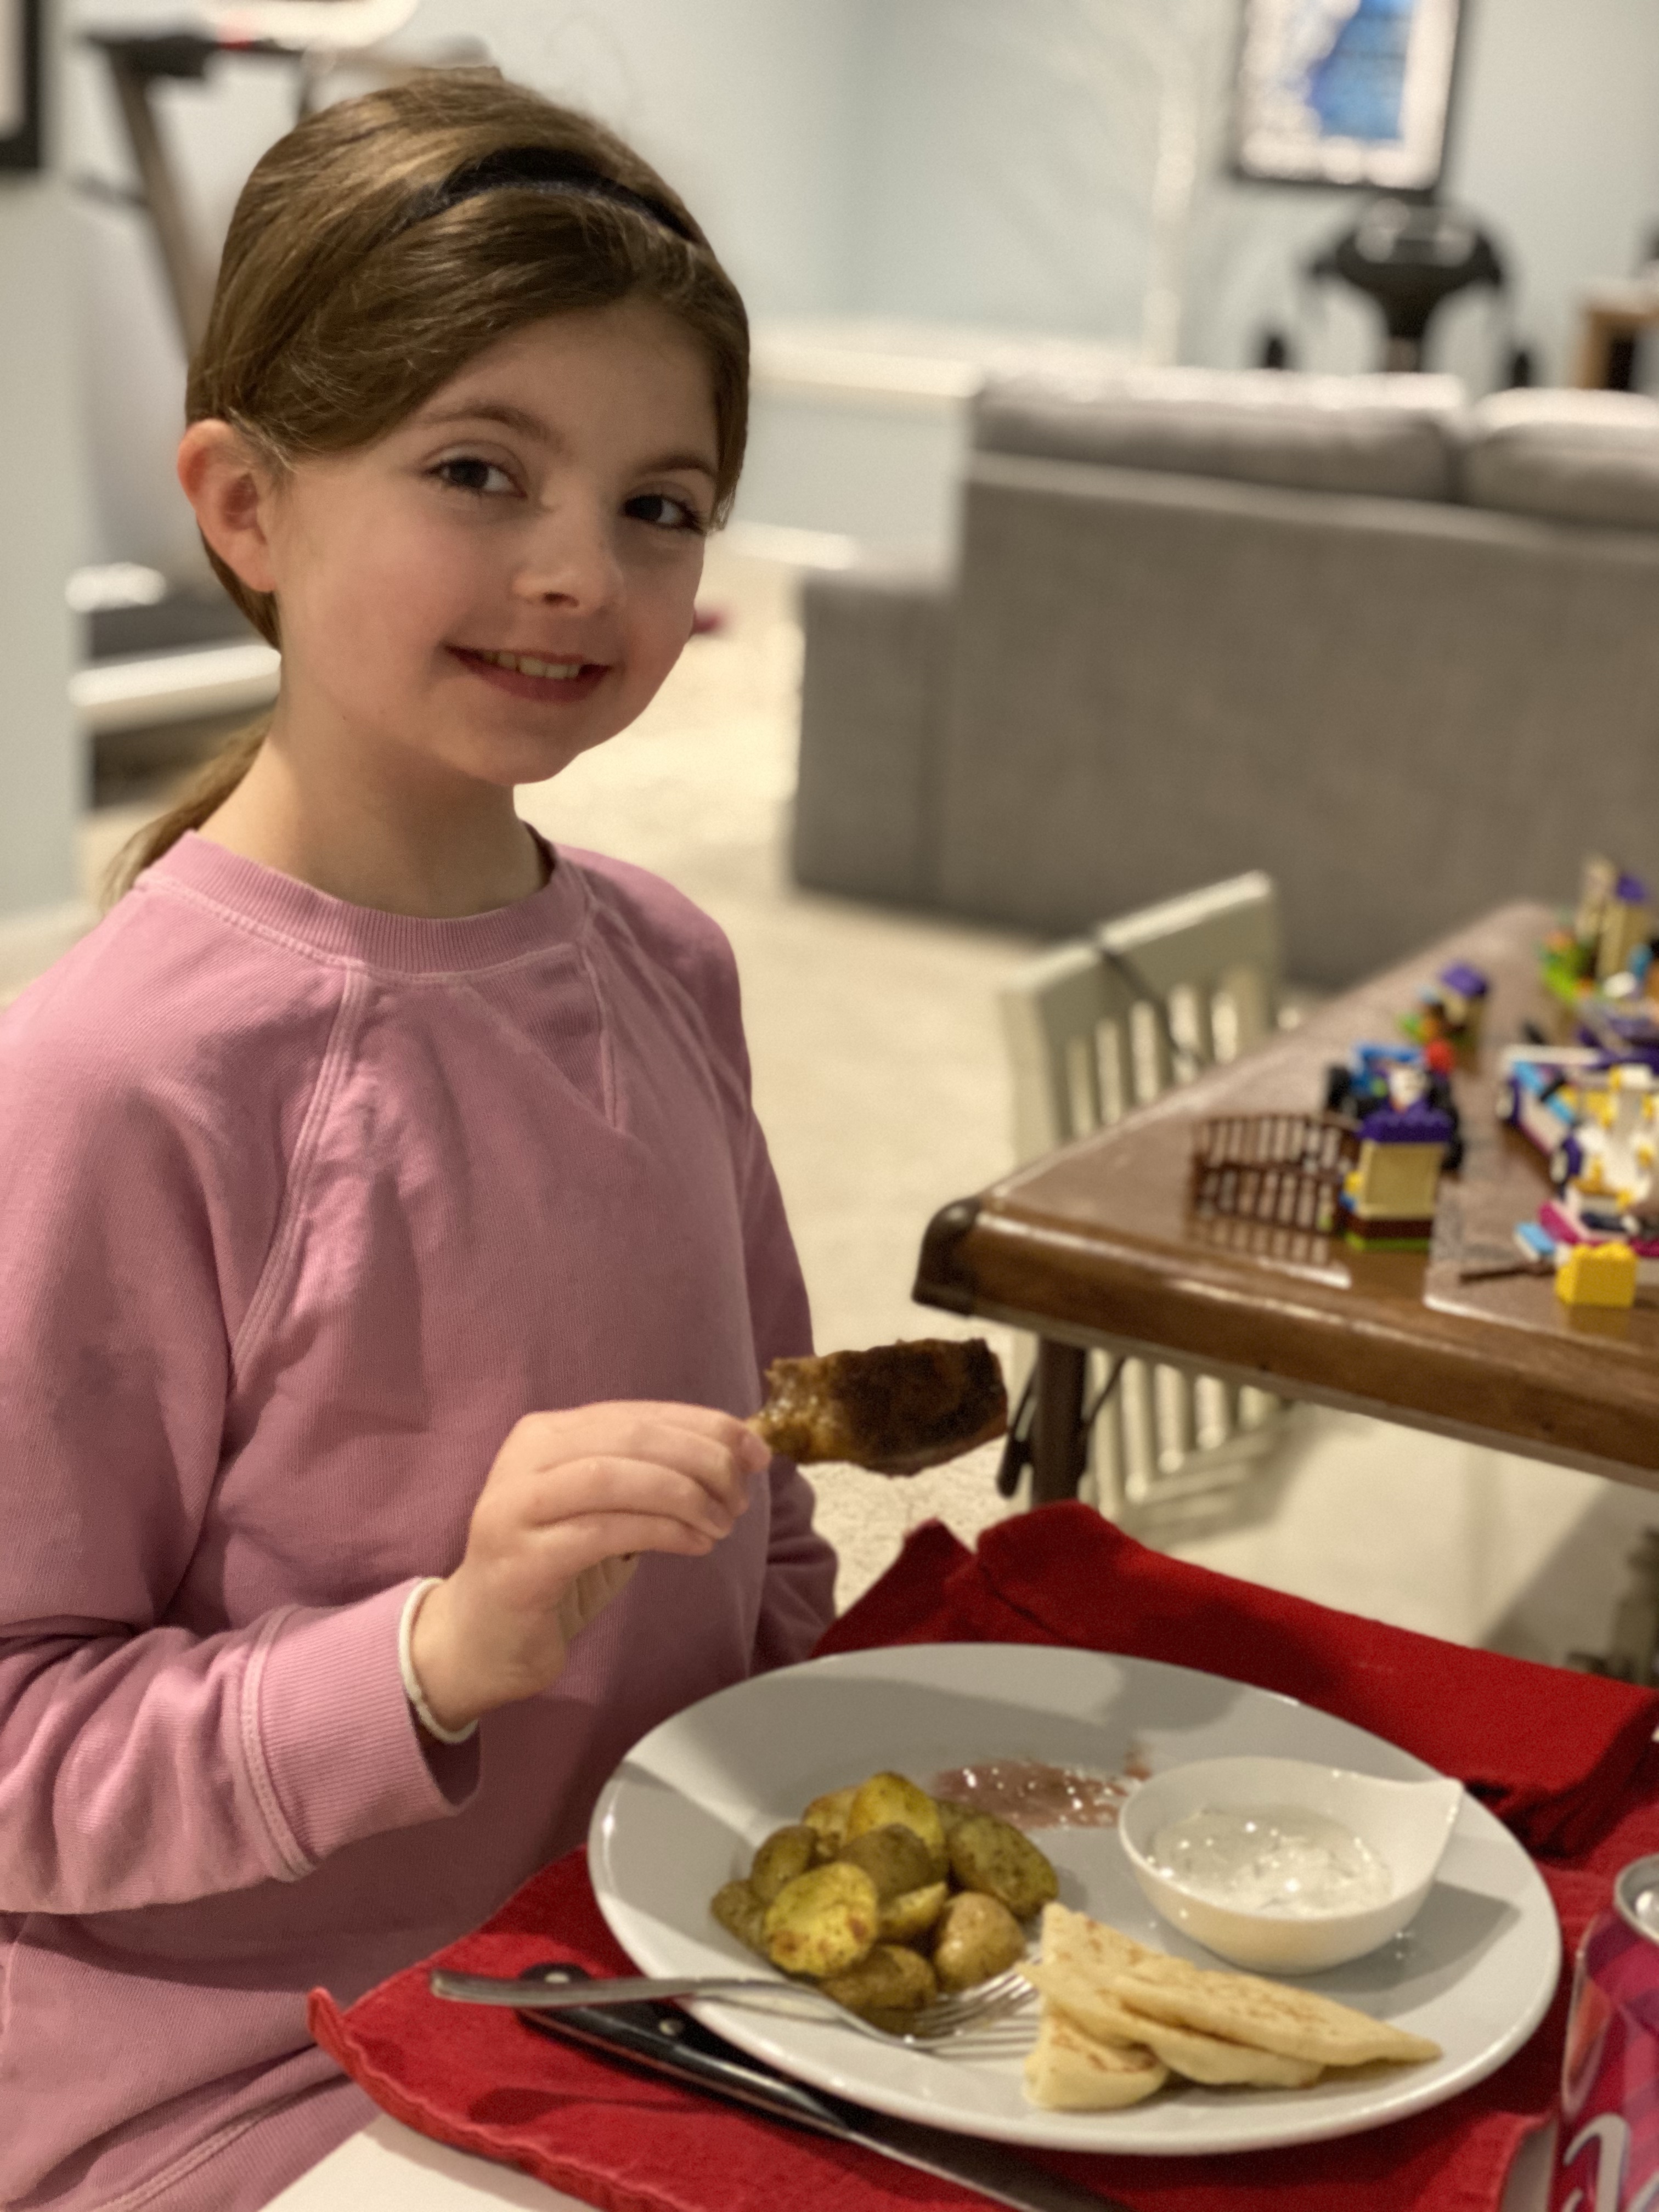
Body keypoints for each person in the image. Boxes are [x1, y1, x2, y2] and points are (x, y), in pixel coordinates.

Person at [0, 71, 837, 2211]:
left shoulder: (670, 963)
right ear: (247, 506)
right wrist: (432, 1658)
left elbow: (767, 1498)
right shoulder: (110, 1080)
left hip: (651, 1968)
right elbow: (20, 1742)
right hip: (259, 2074)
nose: (581, 572)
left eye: (662, 505)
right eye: (480, 470)